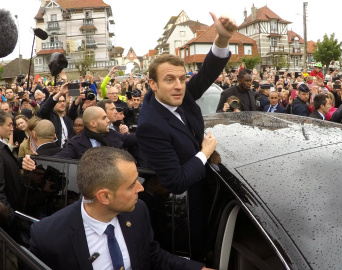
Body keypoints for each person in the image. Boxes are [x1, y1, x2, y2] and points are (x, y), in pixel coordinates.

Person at [136, 12, 236, 260]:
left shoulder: (180, 95)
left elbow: (205, 74)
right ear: (153, 84)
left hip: (203, 191)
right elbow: (176, 181)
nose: (179, 85)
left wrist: (222, 39)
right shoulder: (151, 126)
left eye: (182, 79)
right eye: (169, 79)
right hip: (181, 209)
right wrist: (205, 152)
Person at [29, 147, 212, 270]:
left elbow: (152, 254)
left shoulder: (139, 211)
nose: (141, 188)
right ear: (105, 196)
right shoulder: (47, 237)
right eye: (132, 185)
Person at [0, 110, 24, 233]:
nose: (12, 128)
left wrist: (23, 160)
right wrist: (11, 218)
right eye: (9, 125)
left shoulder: (3, 146)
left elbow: (8, 162)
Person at [36, 83, 74, 148]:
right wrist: (60, 93)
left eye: (63, 101)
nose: (62, 104)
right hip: (54, 154)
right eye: (59, 102)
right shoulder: (49, 117)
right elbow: (43, 111)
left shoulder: (67, 120)